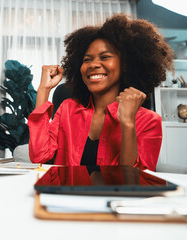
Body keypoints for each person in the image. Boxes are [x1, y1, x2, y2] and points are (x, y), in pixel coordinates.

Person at [27, 14, 174, 171]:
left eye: (105, 57)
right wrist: (44, 89)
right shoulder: (68, 109)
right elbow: (39, 156)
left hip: (115, 196)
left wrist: (128, 123)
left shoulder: (149, 121)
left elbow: (131, 179)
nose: (94, 64)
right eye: (87, 59)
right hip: (67, 194)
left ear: (126, 64)